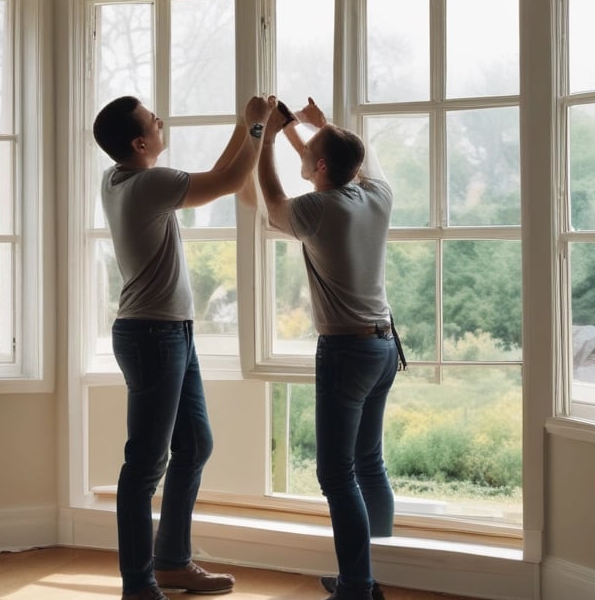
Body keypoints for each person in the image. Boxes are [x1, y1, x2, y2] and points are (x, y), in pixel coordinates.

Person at [93, 94, 276, 600]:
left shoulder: (117, 178)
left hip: (169, 331)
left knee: (194, 445)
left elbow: (220, 172)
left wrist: (246, 128)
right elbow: (230, 181)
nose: (160, 121)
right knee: (145, 465)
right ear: (139, 142)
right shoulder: (151, 183)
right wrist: (258, 127)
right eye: (153, 120)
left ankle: (172, 562)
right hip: (154, 334)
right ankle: (138, 583)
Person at [257, 97, 405, 600]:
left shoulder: (317, 209)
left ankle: (357, 586)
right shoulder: (376, 195)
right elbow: (343, 162)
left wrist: (266, 138)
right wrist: (318, 128)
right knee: (369, 461)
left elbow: (275, 202)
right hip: (384, 347)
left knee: (335, 472)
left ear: (319, 167)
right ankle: (374, 567)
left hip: (346, 352)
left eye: (311, 154)